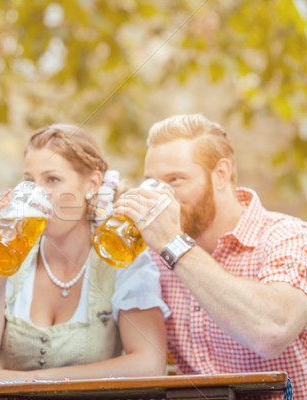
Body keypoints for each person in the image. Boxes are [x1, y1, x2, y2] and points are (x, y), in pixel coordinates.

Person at [0, 124, 169, 382]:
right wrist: (1, 260)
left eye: (53, 180)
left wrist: (29, 380)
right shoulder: (13, 257)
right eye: (29, 181)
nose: (38, 194)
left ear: (92, 184)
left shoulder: (120, 255)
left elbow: (149, 364)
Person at [114, 114, 306, 398]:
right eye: (151, 183)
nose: (161, 196)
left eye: (175, 180)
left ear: (221, 174)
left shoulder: (288, 236)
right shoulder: (151, 258)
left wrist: (174, 244)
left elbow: (271, 332)